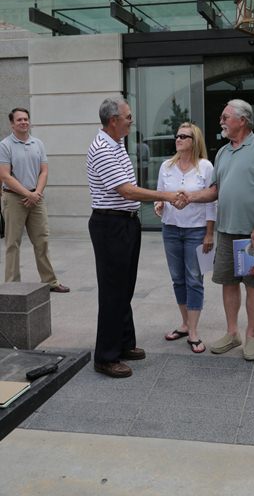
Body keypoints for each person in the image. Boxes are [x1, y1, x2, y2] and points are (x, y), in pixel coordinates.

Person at [87, 97, 182, 378]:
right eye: (128, 116)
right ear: (113, 120)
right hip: (110, 226)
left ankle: (124, 343)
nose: (132, 120)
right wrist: (165, 195)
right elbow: (126, 191)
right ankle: (105, 357)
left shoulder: (117, 144)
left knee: (124, 287)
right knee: (112, 291)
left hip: (125, 224)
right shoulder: (103, 148)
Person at [181, 99, 254, 361]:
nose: (221, 121)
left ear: (243, 120)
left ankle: (250, 336)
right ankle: (232, 332)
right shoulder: (223, 153)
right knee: (228, 282)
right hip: (226, 230)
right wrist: (189, 197)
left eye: (226, 117)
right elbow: (214, 190)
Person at [155, 122, 216, 354]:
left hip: (197, 231)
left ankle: (193, 330)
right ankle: (184, 323)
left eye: (184, 136)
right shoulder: (166, 166)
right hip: (170, 229)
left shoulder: (205, 167)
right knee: (177, 278)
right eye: (177, 135)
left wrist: (209, 233)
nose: (178, 139)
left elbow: (213, 201)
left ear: (194, 141)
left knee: (194, 279)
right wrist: (159, 205)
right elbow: (161, 195)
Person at [0, 108, 69, 292]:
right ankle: (12, 286)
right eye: (19, 120)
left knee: (42, 240)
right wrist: (27, 194)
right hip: (14, 199)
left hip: (36, 197)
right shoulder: (5, 145)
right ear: (12, 124)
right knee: (13, 243)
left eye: (26, 119)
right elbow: (5, 176)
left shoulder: (37, 143)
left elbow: (44, 171)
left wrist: (36, 193)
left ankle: (50, 282)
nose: (24, 122)